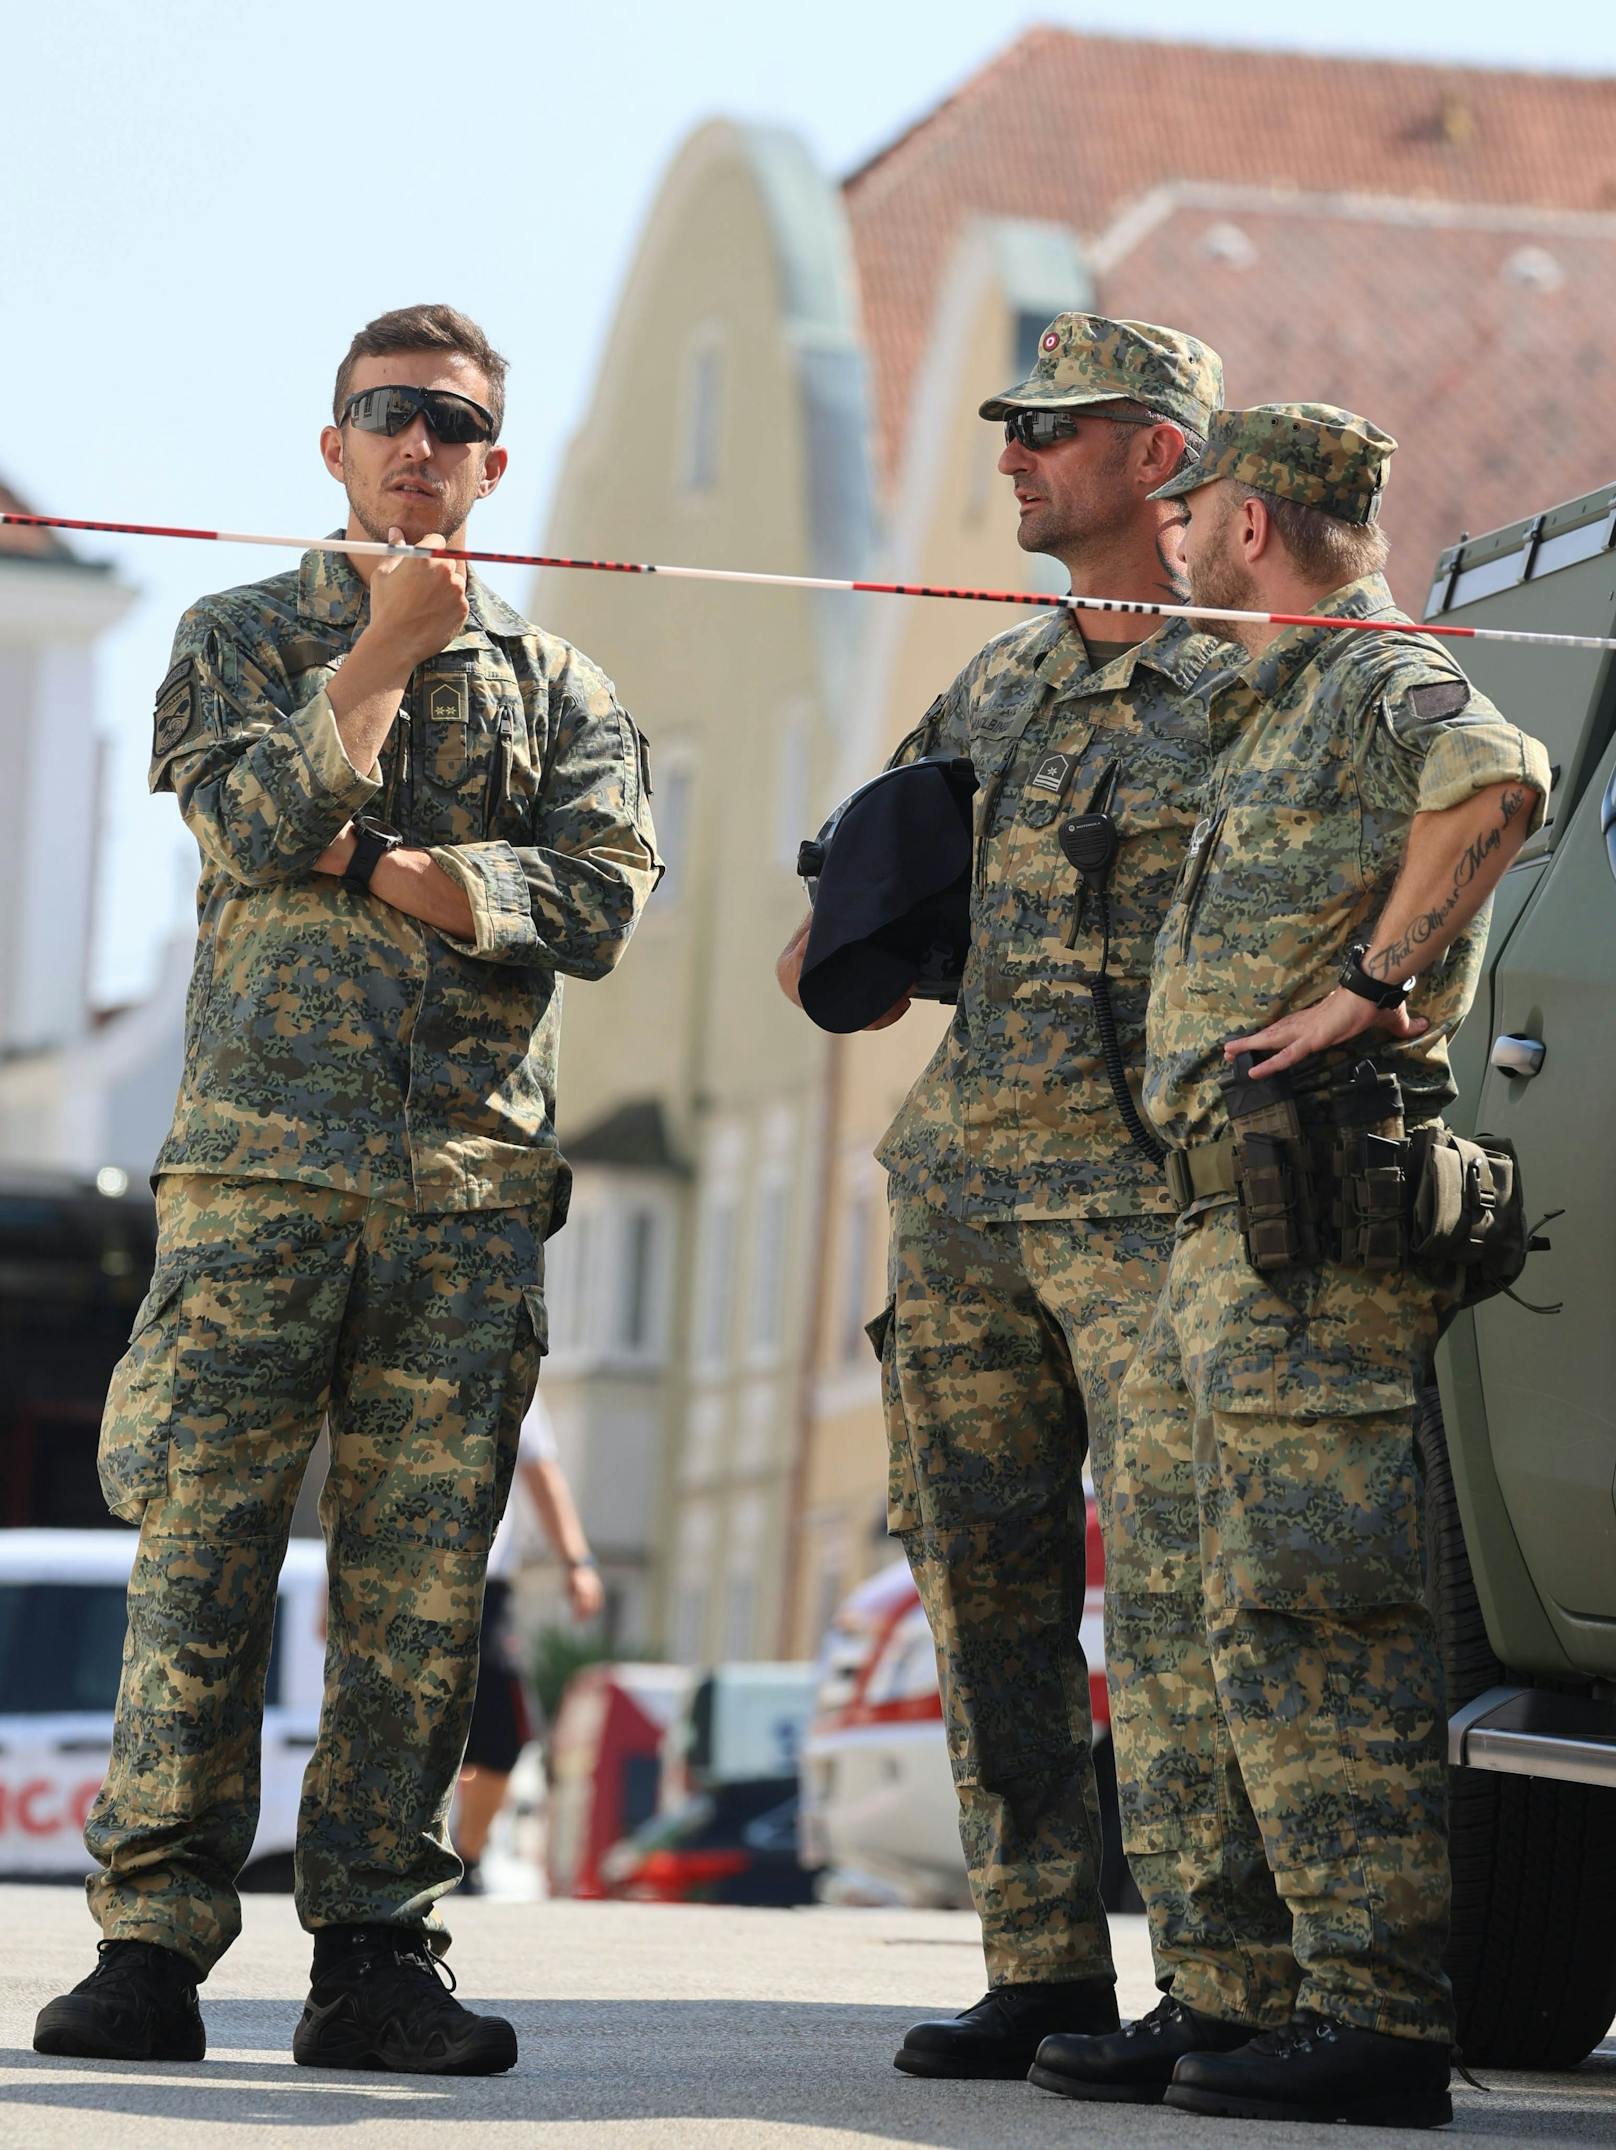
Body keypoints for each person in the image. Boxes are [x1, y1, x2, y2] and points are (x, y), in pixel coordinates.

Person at [33, 303, 660, 2077]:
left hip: (463, 1199)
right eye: (384, 415)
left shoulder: (562, 692)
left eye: (450, 424)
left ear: (492, 462)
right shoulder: (240, 636)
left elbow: (597, 906)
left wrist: (375, 855)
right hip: (254, 1186)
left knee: (417, 1586)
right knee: (204, 1558)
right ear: (331, 446)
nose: (416, 446)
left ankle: (375, 1953)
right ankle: (150, 1942)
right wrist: (377, 657)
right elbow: (240, 824)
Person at [1031, 405, 1548, 2128]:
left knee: (1314, 1611)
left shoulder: (1373, 672)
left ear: (1246, 520)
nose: (1167, 534)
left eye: (1187, 509)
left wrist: (1381, 990)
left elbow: (1501, 779)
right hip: (1216, 1225)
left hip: (1315, 1224)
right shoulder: (1269, 701)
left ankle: (1378, 2018)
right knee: (1185, 1623)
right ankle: (1234, 1997)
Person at [779, 312, 1229, 2079]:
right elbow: (862, 910)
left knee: (1180, 1590)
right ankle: (1041, 1964)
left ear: (1160, 459)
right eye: (1009, 426)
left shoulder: (1259, 683)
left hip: (1148, 1204)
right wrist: (851, 928)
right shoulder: (1001, 682)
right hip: (969, 1193)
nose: (1014, 456)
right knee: (980, 1579)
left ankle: (1218, 1982)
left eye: (1054, 428)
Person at [454, 1392, 603, 1890]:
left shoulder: (506, 1358)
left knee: (503, 1730)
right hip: (396, 1577)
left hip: (483, 1586)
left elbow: (540, 1472)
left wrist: (576, 1562)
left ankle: (465, 1859)